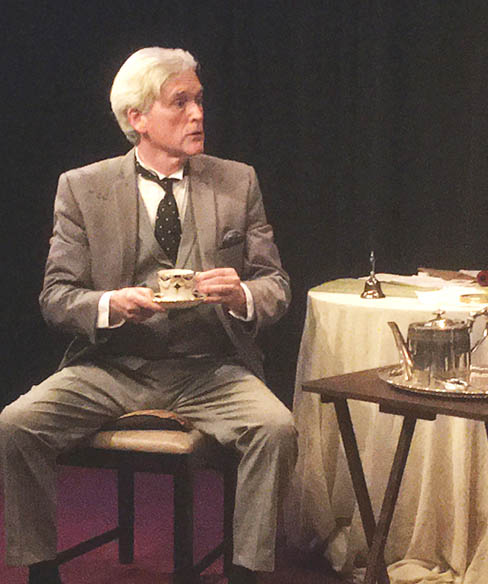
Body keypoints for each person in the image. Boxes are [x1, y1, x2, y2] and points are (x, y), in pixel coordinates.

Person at [0, 47, 297, 584]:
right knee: (16, 425)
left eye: (199, 100)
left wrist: (241, 296)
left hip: (208, 368)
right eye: (179, 102)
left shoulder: (236, 182)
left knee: (275, 429)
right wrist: (110, 305)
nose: (197, 114)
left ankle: (246, 572)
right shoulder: (83, 188)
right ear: (137, 117)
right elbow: (57, 297)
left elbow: (275, 286)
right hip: (111, 367)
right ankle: (41, 570)